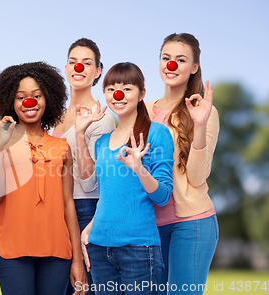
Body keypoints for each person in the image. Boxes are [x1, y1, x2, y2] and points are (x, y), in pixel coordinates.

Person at [0, 61, 87, 295]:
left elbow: (68, 203)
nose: (29, 103)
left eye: (36, 96)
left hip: (57, 252)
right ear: (11, 101)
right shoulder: (0, 141)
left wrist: (77, 260)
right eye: (20, 97)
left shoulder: (62, 146)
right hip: (13, 251)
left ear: (48, 98)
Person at [77, 62, 174, 295]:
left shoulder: (157, 133)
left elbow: (163, 196)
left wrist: (139, 168)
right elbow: (92, 184)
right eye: (111, 89)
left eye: (126, 88)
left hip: (138, 249)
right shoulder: (102, 141)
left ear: (142, 94)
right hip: (99, 248)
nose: (117, 94)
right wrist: (80, 133)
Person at [145, 33, 219, 295]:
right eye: (166, 58)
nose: (171, 65)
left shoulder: (204, 111)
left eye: (180, 59)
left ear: (194, 67)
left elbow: (198, 176)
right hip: (149, 224)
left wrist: (199, 125)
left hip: (191, 223)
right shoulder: (142, 109)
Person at [51, 37, 116, 295]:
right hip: (55, 209)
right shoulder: (53, 115)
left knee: (83, 287)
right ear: (66, 68)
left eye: (86, 63)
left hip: (84, 208)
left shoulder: (101, 118)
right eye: (73, 62)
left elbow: (94, 182)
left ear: (97, 71)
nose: (78, 68)